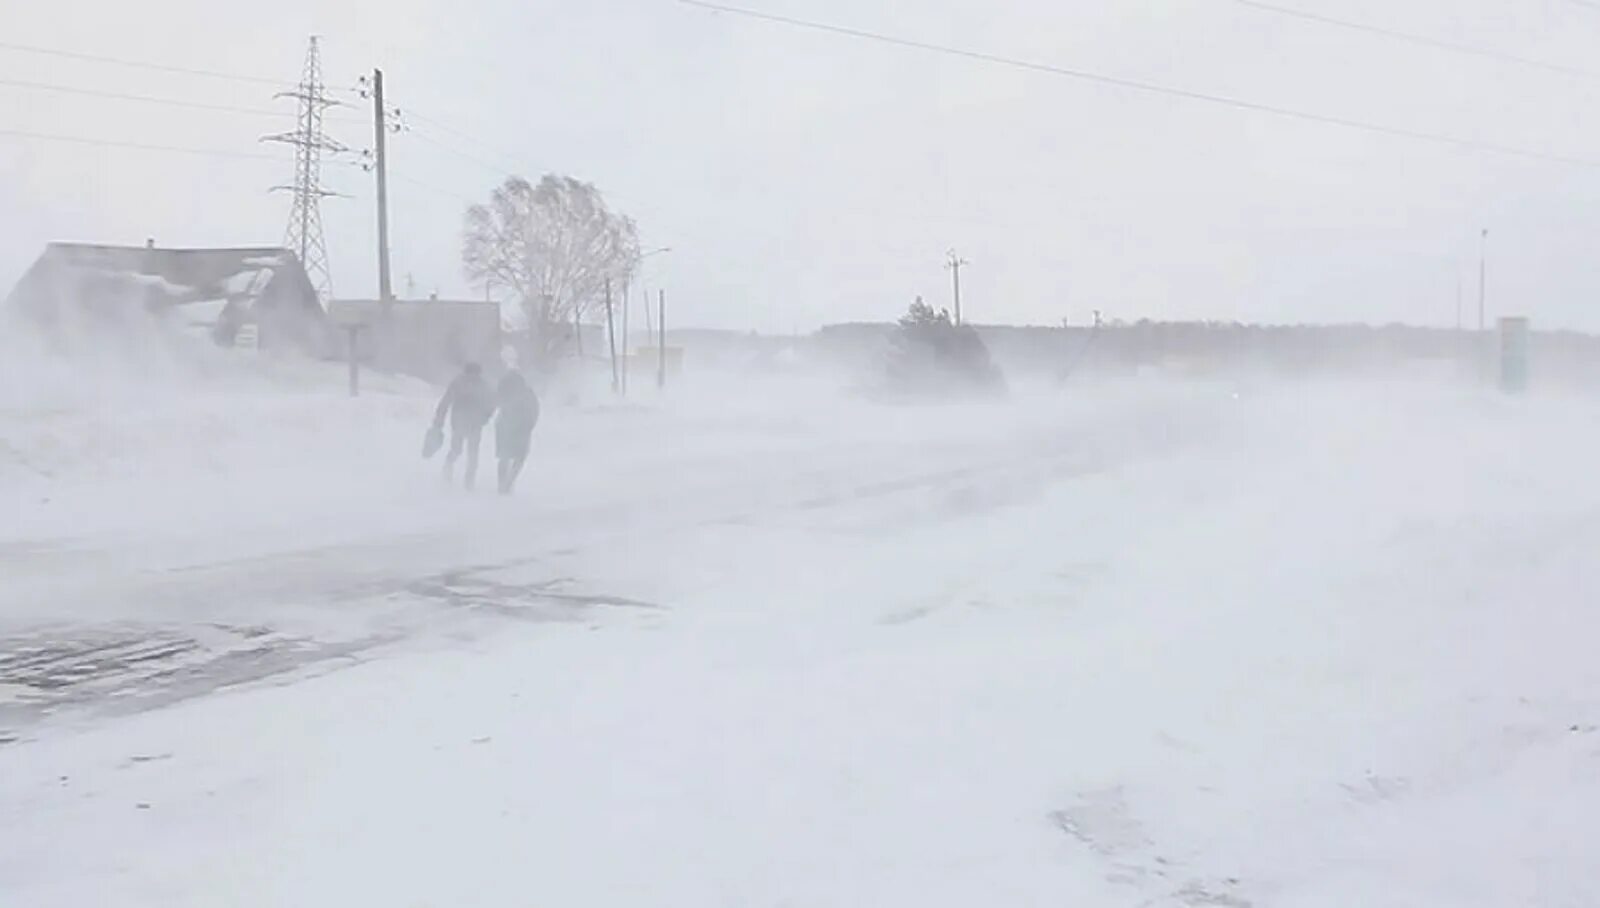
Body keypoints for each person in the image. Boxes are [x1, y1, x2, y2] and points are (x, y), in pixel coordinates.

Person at [432, 362, 495, 489]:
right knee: (457, 449)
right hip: (459, 421)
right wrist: (439, 421)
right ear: (466, 373)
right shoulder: (458, 383)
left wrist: (486, 417)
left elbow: (491, 403)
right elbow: (445, 401)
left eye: (475, 374)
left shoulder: (483, 386)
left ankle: (469, 481)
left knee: (473, 453)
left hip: (475, 423)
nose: (473, 377)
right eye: (470, 374)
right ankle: (448, 468)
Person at [494, 370, 540, 494]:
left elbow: (495, 403)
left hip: (504, 426)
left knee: (504, 456)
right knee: (519, 457)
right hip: (521, 429)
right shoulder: (527, 393)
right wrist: (529, 425)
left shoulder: (504, 392)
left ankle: (502, 484)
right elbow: (534, 411)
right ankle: (508, 483)